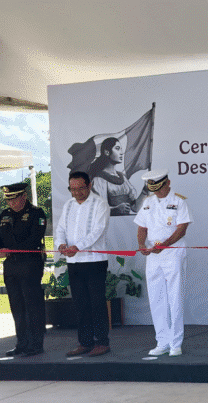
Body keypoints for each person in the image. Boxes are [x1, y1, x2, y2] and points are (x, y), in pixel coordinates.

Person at [134, 169, 192, 357]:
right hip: (153, 254)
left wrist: (165, 245)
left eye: (159, 188)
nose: (157, 192)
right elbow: (142, 228)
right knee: (156, 297)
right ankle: (162, 341)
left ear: (168, 183)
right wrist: (141, 244)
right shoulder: (148, 203)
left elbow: (182, 229)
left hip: (172, 253)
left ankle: (176, 342)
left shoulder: (179, 201)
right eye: (154, 189)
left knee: (174, 297)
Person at [55, 171, 111, 357]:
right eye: (73, 189)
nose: (77, 193)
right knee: (80, 304)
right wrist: (61, 245)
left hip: (94, 261)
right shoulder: (69, 205)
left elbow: (98, 231)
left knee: (97, 303)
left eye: (80, 188)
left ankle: (102, 342)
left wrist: (78, 246)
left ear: (89, 185)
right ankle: (85, 342)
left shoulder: (100, 203)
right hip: (74, 262)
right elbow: (61, 228)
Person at [0, 182, 47, 357]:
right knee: (16, 305)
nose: (11, 204)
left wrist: (11, 249)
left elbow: (35, 238)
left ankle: (36, 343)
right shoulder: (4, 215)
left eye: (14, 199)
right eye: (8, 200)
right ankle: (22, 342)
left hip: (30, 263)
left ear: (24, 196)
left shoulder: (36, 213)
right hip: (11, 265)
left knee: (32, 304)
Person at [89, 137, 148, 216]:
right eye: (117, 148)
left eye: (121, 149)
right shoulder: (99, 179)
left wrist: (145, 190)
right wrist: (115, 209)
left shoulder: (122, 177)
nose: (121, 153)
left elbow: (135, 208)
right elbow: (99, 209)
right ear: (107, 152)